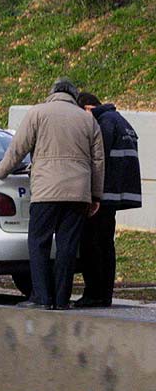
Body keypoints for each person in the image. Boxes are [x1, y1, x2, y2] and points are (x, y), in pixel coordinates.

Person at [0, 78, 104, 310]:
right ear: (74, 96)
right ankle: (61, 300)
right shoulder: (88, 120)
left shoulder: (37, 113)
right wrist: (95, 195)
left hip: (46, 191)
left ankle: (41, 297)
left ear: (52, 93)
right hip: (78, 193)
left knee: (39, 242)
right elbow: (98, 161)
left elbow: (18, 148)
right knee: (68, 246)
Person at [74, 92, 142, 308]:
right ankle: (105, 294)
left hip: (103, 195)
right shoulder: (120, 120)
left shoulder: (103, 123)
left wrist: (92, 195)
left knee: (90, 243)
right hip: (115, 194)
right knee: (106, 245)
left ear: (87, 108)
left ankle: (94, 293)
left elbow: (97, 159)